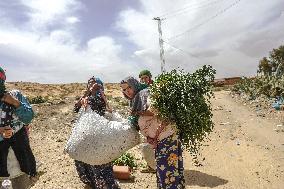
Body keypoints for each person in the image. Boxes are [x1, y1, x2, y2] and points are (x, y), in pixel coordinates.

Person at [120, 77, 185, 189]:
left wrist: (137, 112)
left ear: (135, 84)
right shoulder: (135, 100)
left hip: (167, 138)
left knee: (168, 173)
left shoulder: (144, 94)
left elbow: (156, 111)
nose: (127, 91)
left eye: (129, 87)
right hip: (159, 141)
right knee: (164, 171)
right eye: (124, 90)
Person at [73, 76, 119, 189]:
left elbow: (97, 107)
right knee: (85, 159)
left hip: (98, 134)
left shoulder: (100, 96)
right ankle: (91, 182)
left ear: (99, 85)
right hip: (85, 134)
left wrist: (91, 93)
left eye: (93, 83)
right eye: (89, 83)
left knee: (98, 162)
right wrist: (87, 93)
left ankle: (106, 185)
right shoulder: (87, 96)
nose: (91, 85)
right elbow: (75, 108)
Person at [0, 67, 37, 179]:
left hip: (20, 145)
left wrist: (15, 103)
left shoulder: (15, 94)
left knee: (24, 177)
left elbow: (28, 117)